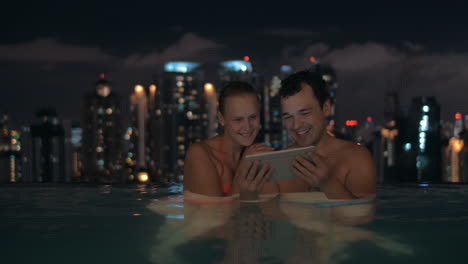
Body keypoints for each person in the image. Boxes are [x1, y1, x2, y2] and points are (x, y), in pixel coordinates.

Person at [278, 70, 376, 199]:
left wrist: (328, 184)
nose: (296, 125)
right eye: (288, 117)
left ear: (326, 108)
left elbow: (363, 217)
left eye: (304, 113)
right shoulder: (278, 166)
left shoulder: (356, 158)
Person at [184, 81, 279, 198]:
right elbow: (213, 214)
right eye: (238, 120)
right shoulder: (200, 154)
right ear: (221, 118)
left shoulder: (258, 156)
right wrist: (243, 167)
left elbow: (274, 208)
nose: (247, 126)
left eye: (253, 117)